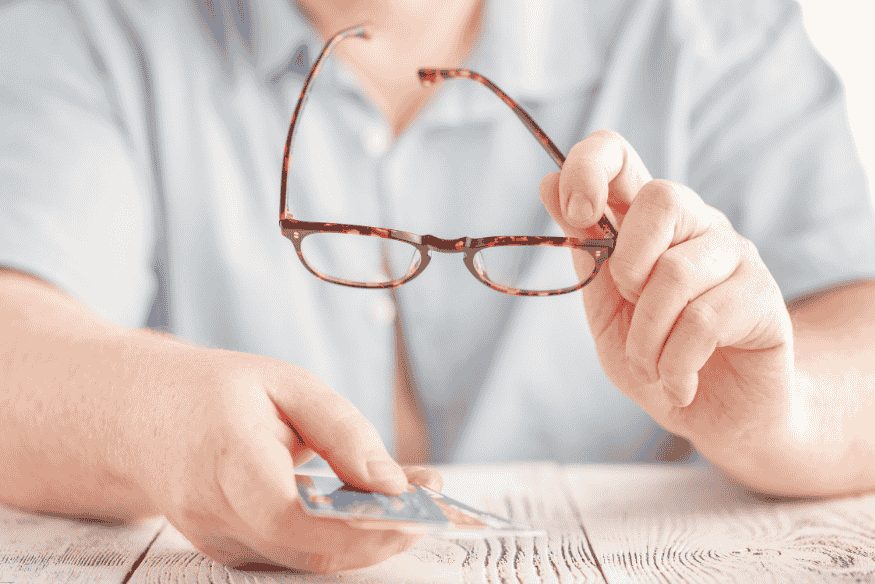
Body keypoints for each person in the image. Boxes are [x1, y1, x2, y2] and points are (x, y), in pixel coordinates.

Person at [2, 0, 874, 574]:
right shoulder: (80, 23)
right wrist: (153, 417)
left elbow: (857, 321)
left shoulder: (715, 28)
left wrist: (784, 406)